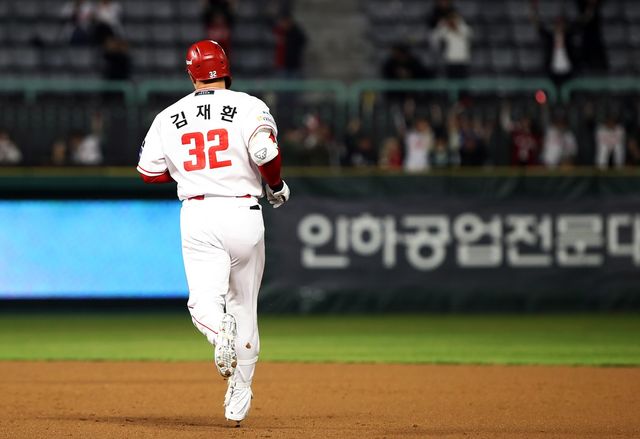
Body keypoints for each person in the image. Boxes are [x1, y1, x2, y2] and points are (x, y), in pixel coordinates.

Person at [137, 40, 290, 425]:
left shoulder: (168, 116)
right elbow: (266, 154)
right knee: (244, 306)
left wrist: (190, 173)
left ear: (191, 74)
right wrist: (275, 186)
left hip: (199, 212)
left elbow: (149, 173)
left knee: (204, 304)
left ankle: (219, 333)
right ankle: (240, 392)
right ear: (226, 69)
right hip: (244, 210)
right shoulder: (250, 105)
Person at [431, 10, 472, 78]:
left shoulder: (464, 27)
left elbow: (468, 34)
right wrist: (441, 25)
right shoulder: (444, 29)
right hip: (450, 60)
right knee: (451, 81)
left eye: (454, 18)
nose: (453, 20)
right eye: (451, 18)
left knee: (463, 81)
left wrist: (456, 27)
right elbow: (435, 38)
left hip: (463, 60)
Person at [273, 13, 307, 77]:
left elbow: (302, 42)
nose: (284, 24)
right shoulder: (279, 32)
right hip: (282, 66)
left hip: (294, 66)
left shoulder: (296, 32)